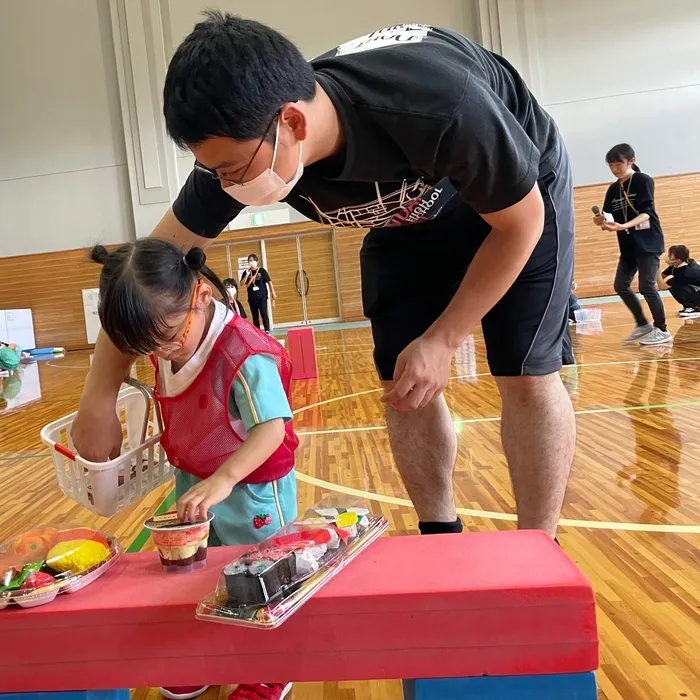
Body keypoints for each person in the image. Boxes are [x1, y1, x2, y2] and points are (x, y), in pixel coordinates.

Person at [73, 14, 576, 543]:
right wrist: (99, 396)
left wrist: (445, 338)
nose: (224, 185)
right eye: (213, 170)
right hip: (404, 215)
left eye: (232, 169)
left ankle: (538, 548)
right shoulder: (241, 146)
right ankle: (440, 534)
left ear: (292, 122)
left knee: (524, 368)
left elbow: (520, 224)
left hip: (519, 198)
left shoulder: (439, 106)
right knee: (403, 382)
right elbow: (145, 273)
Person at [90, 239, 297, 700]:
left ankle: (269, 665)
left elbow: (272, 431)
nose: (161, 353)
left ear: (202, 297)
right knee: (202, 572)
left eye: (167, 339)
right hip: (197, 481)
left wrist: (224, 479)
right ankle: (209, 654)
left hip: (253, 485)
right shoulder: (167, 343)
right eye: (147, 346)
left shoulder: (245, 354)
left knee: (262, 572)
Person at [593, 144, 671, 345]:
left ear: (631, 161)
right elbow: (608, 215)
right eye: (611, 164)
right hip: (627, 245)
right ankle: (642, 324)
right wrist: (601, 221)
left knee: (647, 286)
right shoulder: (613, 188)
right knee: (621, 285)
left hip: (648, 242)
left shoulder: (642, 180)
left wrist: (623, 225)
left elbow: (647, 213)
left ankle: (662, 329)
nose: (614, 168)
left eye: (618, 162)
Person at [661, 245, 700, 318]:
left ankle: (696, 308)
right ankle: (689, 307)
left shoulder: (687, 273)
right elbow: (663, 275)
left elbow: (662, 286)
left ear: (678, 260)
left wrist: (655, 270)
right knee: (671, 284)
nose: (668, 257)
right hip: (696, 292)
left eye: (670, 255)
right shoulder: (677, 265)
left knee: (676, 286)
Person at [240, 254, 276, 333]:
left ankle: (267, 330)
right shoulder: (246, 272)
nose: (251, 262)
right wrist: (246, 274)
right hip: (252, 298)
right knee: (255, 315)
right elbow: (242, 284)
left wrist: (272, 292)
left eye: (253, 260)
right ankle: (257, 331)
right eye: (250, 260)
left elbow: (269, 282)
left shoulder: (262, 270)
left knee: (264, 313)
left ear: (257, 261)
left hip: (262, 296)